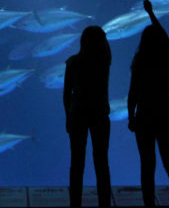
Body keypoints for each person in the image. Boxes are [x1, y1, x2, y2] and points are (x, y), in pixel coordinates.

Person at [128, 0, 169, 206]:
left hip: (144, 119)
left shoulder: (139, 65)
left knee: (147, 165)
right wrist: (151, 14)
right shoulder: (166, 61)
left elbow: (132, 93)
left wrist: (131, 117)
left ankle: (149, 203)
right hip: (165, 116)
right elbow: (165, 40)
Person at [63, 25, 112, 207]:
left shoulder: (73, 62)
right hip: (100, 113)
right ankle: (104, 203)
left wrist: (67, 116)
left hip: (77, 115)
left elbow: (66, 94)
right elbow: (107, 50)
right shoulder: (104, 62)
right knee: (102, 162)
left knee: (76, 163)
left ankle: (75, 203)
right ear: (102, 42)